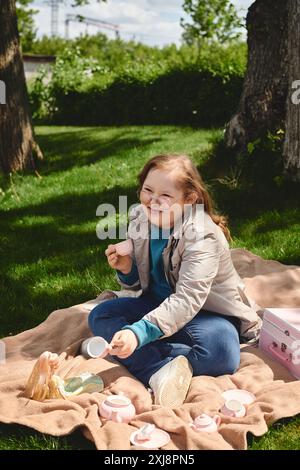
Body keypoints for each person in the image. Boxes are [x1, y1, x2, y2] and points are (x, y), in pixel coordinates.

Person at [88, 154, 262, 407]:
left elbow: (188, 299)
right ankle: (160, 371)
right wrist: (127, 269)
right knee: (99, 316)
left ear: (189, 199)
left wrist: (137, 333)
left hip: (206, 313)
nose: (153, 200)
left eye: (166, 196)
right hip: (159, 304)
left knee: (223, 352)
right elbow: (140, 283)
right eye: (147, 190)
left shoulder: (202, 237)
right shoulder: (140, 217)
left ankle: (148, 354)